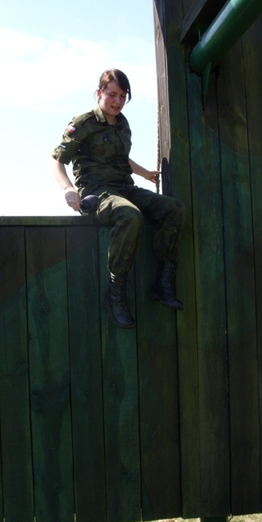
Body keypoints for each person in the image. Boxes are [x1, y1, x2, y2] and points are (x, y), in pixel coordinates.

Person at [51, 69, 186, 329]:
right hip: (97, 192)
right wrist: (68, 188)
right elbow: (57, 159)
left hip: (125, 188)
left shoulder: (123, 124)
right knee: (130, 215)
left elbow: (121, 158)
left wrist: (145, 173)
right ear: (99, 93)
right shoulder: (84, 122)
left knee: (174, 209)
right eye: (112, 94)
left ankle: (163, 282)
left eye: (123, 96)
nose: (117, 101)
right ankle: (116, 293)